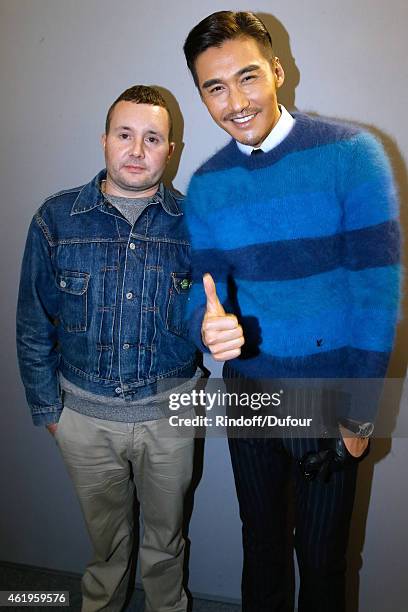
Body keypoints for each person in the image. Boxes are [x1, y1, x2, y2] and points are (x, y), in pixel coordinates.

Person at [183, 11, 400, 612]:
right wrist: (202, 323)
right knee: (263, 548)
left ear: (277, 71)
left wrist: (361, 417)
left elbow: (376, 295)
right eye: (214, 87)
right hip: (248, 389)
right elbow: (198, 293)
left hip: (328, 394)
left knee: (326, 562)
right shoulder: (205, 184)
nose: (236, 101)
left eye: (248, 77)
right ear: (200, 94)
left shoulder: (353, 154)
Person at [16, 85, 200, 612]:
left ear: (171, 150)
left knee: (166, 546)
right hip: (84, 423)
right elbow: (33, 323)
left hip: (171, 418)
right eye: (125, 134)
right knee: (107, 546)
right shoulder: (55, 220)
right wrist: (50, 411)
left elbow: (216, 319)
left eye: (152, 138)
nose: (137, 150)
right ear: (104, 140)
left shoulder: (197, 225)